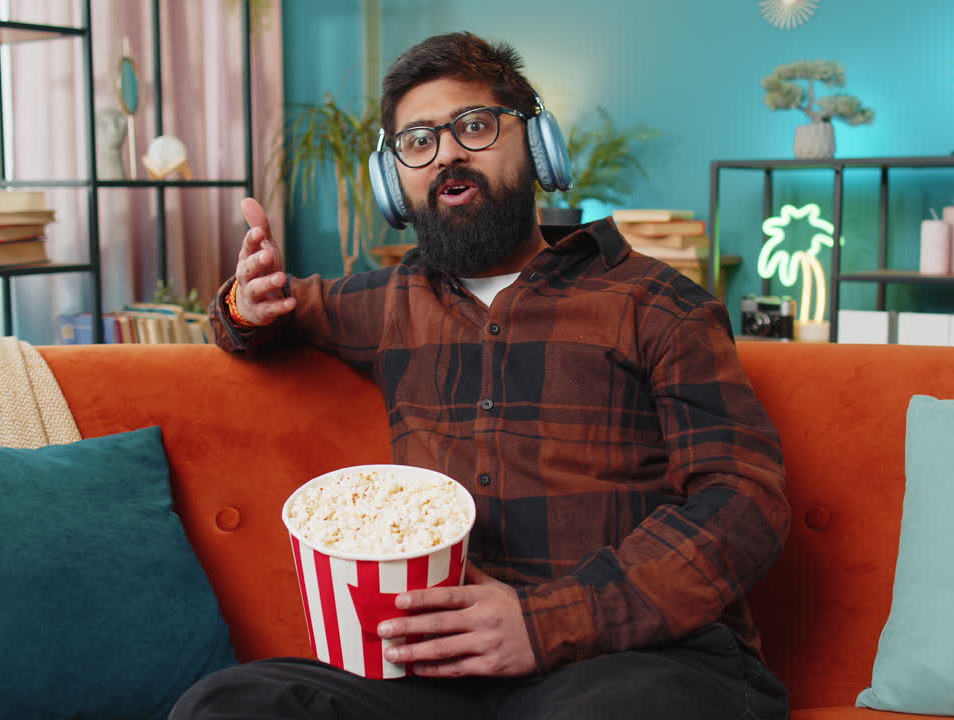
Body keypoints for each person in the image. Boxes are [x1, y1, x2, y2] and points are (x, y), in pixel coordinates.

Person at [171, 31, 790, 720]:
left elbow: (742, 500)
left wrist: (542, 622)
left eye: (473, 125)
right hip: (446, 673)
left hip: (636, 660)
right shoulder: (391, 302)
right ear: (393, 181)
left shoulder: (660, 304)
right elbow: (266, 315)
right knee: (228, 705)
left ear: (537, 145)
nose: (448, 154)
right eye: (418, 142)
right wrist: (245, 302)